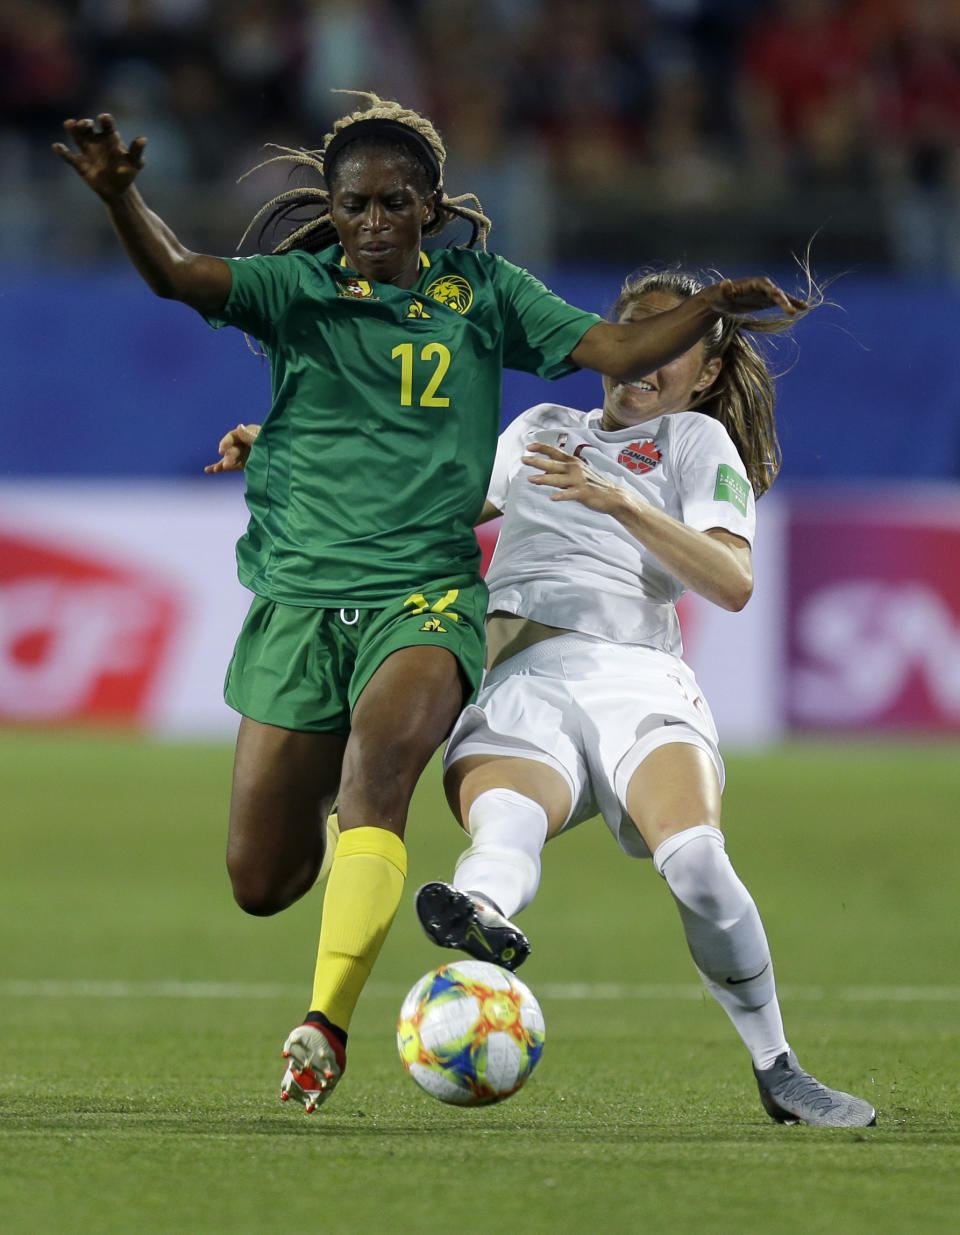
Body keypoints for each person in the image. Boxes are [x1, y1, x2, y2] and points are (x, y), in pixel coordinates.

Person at [54, 91, 805, 1115]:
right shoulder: (294, 291)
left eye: (392, 203)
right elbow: (184, 277)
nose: (370, 222)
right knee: (262, 878)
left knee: (386, 778)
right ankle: (339, 836)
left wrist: (711, 303)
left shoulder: (485, 293)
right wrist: (122, 204)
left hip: (428, 599)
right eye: (353, 204)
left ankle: (325, 1019)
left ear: (430, 207)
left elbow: (623, 357)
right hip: (303, 601)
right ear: (332, 204)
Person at [410, 266, 877, 1128]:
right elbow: (429, 508)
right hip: (520, 674)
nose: (646, 360)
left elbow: (732, 580)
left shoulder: (696, 445)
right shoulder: (541, 427)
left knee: (697, 861)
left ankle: (779, 1067)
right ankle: (482, 916)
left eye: (672, 345)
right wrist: (293, 457)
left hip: (635, 673)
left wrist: (618, 499)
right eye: (636, 337)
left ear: (700, 372)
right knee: (506, 824)